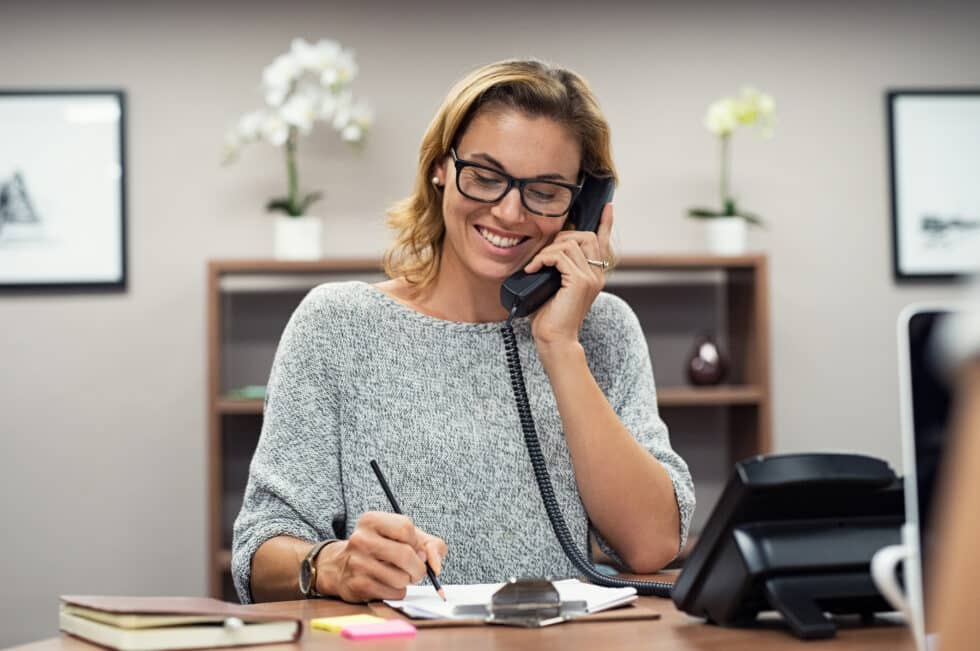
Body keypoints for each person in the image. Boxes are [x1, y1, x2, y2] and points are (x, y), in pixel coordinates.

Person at [232, 59, 695, 604]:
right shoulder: (337, 324)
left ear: (583, 205)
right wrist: (330, 565)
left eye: (545, 191)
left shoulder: (602, 330)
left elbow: (652, 547)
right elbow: (259, 550)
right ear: (440, 168)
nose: (508, 211)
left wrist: (559, 344)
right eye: (485, 175)